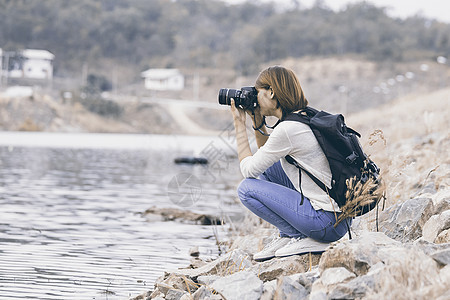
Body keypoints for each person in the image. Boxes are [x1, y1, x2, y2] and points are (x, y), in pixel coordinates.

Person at [230, 65, 351, 262]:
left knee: (246, 188)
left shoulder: (287, 129)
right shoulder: (304, 117)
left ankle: (296, 235)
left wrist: (238, 125)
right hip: (340, 220)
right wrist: (256, 121)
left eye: (257, 92)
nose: (254, 98)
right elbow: (265, 156)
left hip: (325, 224)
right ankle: (289, 236)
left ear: (271, 92)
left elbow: (248, 170)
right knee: (269, 167)